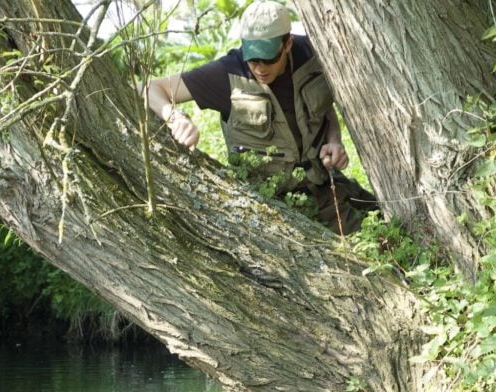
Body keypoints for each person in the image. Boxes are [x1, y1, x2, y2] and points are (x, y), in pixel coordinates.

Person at [146, 1, 376, 235]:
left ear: (287, 44)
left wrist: (334, 140)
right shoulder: (228, 74)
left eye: (268, 59)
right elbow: (149, 87)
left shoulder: (310, 55)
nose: (259, 68)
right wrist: (174, 117)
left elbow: (323, 108)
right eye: (253, 58)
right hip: (274, 208)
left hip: (326, 186)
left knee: (384, 224)